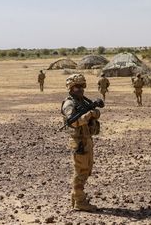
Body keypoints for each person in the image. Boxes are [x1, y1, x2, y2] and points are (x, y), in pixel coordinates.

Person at [61, 74, 101, 212]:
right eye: (77, 87)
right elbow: (74, 121)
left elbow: (93, 112)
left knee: (87, 170)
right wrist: (89, 115)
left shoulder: (81, 101)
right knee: (81, 172)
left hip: (86, 139)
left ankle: (76, 196)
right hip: (79, 142)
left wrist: (95, 113)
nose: (81, 89)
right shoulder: (69, 104)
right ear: (71, 88)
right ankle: (79, 201)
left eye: (82, 86)